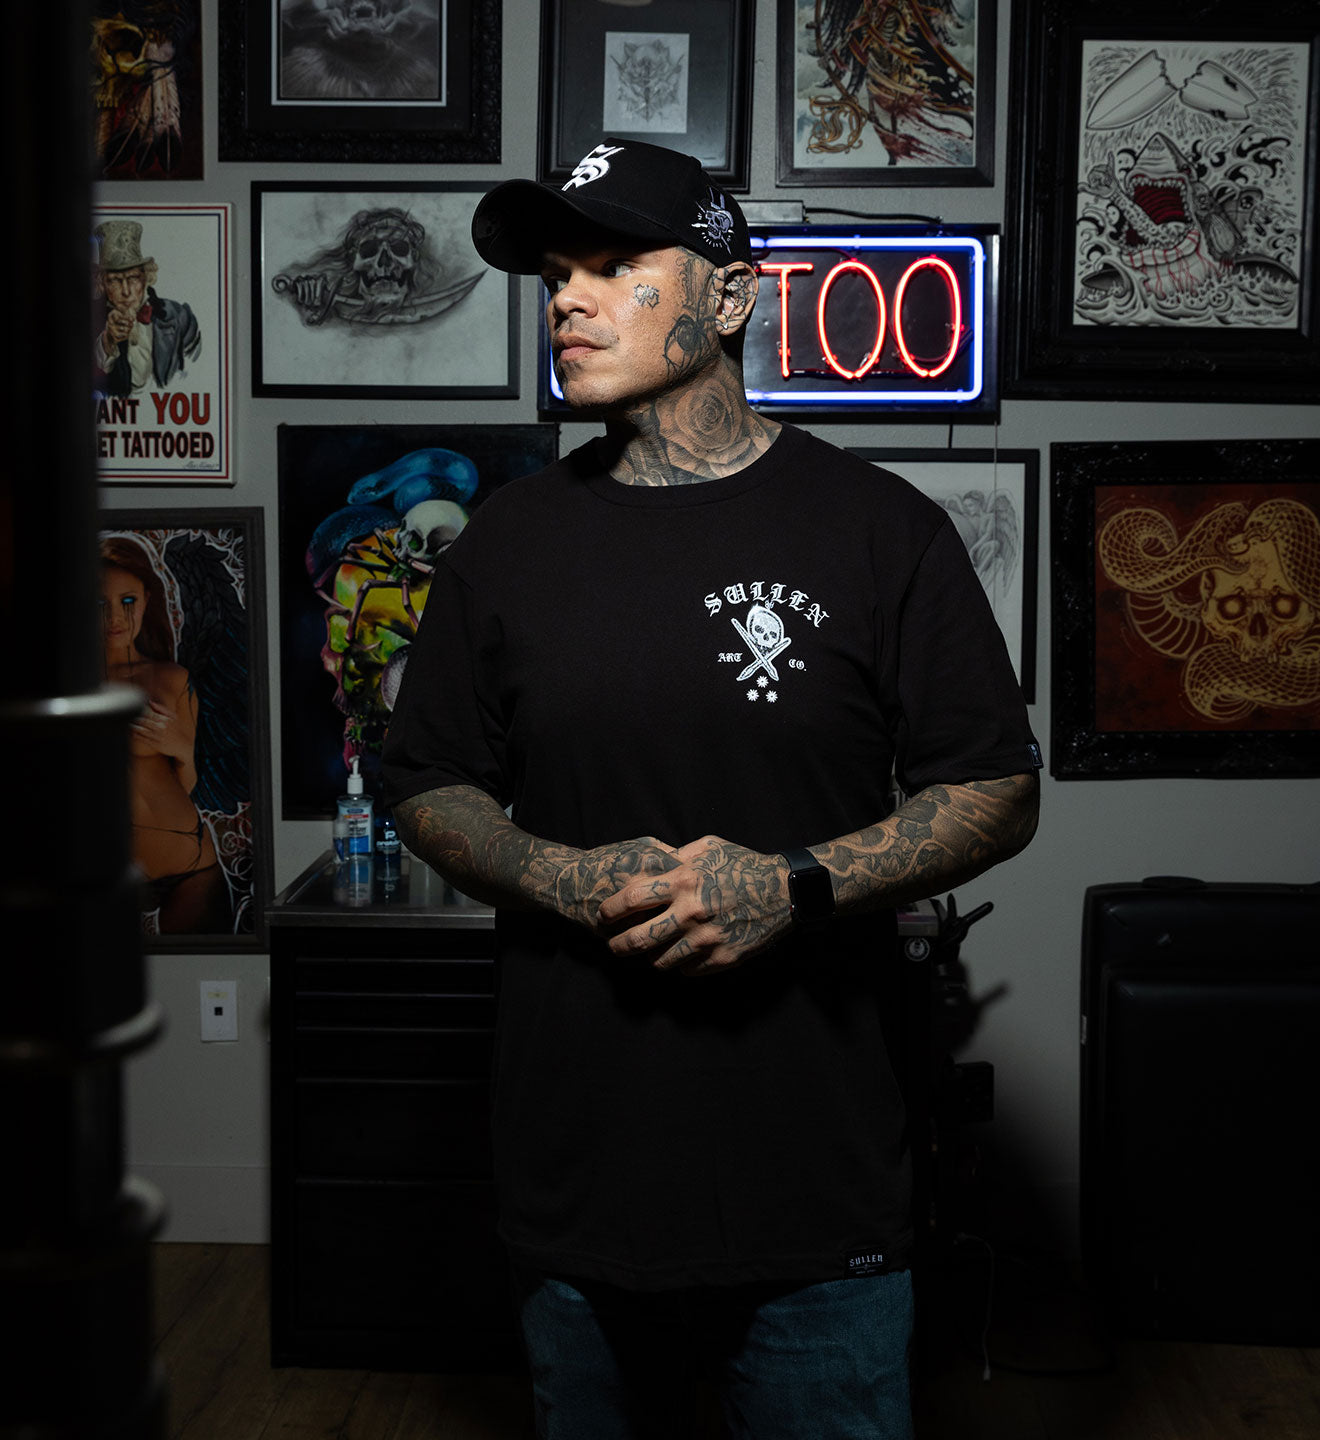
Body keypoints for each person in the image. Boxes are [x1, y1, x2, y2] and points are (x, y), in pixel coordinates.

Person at [380, 137, 1041, 1440]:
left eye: (615, 265)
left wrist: (794, 885)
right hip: (579, 1187)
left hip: (819, 1199)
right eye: (555, 272)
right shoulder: (508, 545)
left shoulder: (880, 530)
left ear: (729, 297)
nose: (565, 298)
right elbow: (428, 783)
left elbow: (995, 790)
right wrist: (559, 875)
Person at [100, 538, 228, 935]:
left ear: (146, 600)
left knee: (204, 984)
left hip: (189, 863)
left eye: (127, 601)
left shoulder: (172, 679)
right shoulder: (71, 687)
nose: (116, 617)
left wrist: (181, 750)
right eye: (99, 604)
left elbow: (186, 783)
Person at [93, 219, 201, 397]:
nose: (126, 291)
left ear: (147, 277)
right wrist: (109, 340)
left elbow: (199, 371)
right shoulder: (91, 323)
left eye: (133, 278)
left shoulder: (179, 316)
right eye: (115, 281)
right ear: (102, 284)